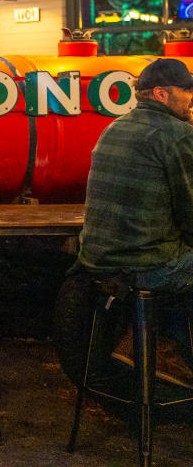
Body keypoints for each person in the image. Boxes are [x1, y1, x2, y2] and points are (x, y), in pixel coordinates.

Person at [79, 58, 193, 293]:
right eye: (187, 90)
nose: (191, 98)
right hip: (147, 267)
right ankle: (175, 330)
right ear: (161, 94)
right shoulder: (176, 135)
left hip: (96, 261)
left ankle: (167, 329)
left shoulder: (114, 127)